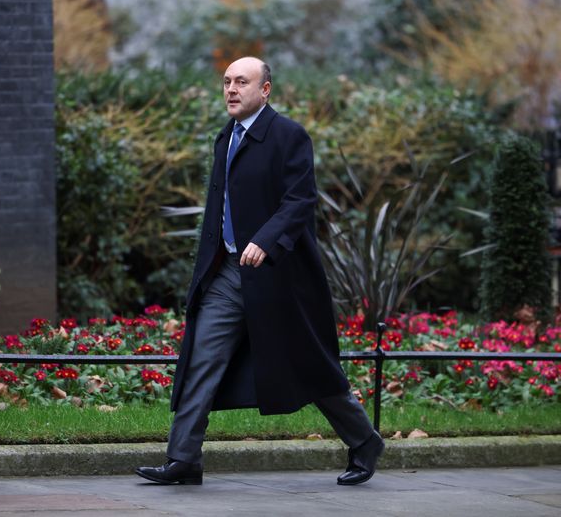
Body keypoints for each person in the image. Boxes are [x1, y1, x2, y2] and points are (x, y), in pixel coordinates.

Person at [135, 57, 384, 486]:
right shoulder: (225, 138)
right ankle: (184, 459)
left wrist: (265, 241)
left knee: (311, 367)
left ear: (265, 90)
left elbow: (300, 199)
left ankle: (364, 441)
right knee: (202, 361)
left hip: (281, 278)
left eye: (242, 82)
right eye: (227, 82)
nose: (231, 89)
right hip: (229, 275)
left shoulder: (289, 135)